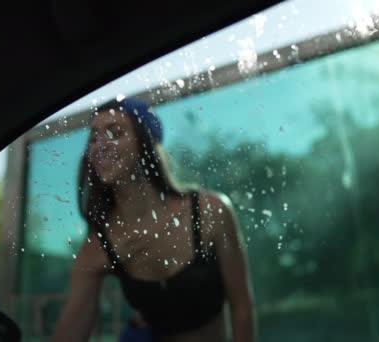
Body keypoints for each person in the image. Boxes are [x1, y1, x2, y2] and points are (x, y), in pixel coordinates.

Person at [51, 97, 256, 342]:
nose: (100, 145)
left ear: (147, 143)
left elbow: (242, 309)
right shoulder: (99, 247)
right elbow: (69, 333)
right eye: (94, 137)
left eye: (115, 132)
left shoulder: (209, 211)